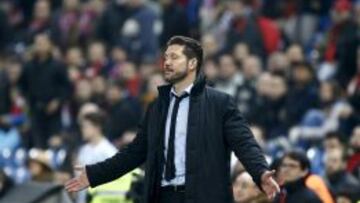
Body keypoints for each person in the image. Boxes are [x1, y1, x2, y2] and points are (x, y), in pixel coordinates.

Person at [65, 36, 279, 203]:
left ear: (193, 63)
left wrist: (260, 172)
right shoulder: (157, 107)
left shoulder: (219, 103)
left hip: (203, 197)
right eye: (165, 57)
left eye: (174, 57)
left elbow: (244, 143)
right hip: (163, 196)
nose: (167, 62)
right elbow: (134, 153)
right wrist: (94, 175)